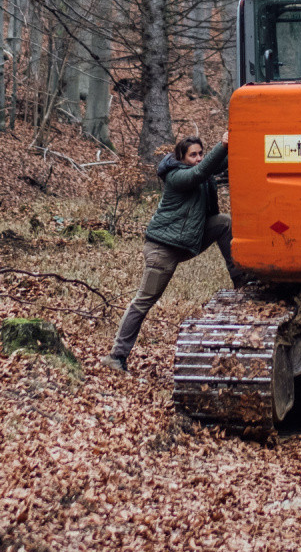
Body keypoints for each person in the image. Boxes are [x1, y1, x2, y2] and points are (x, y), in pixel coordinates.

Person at [103, 131, 244, 372]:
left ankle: (243, 283)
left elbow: (220, 162)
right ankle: (116, 356)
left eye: (201, 153)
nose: (198, 159)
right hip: (163, 248)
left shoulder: (200, 170)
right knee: (144, 301)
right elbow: (200, 172)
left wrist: (242, 136)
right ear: (181, 158)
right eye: (193, 155)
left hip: (188, 241)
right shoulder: (176, 176)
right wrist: (222, 145)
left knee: (223, 222)